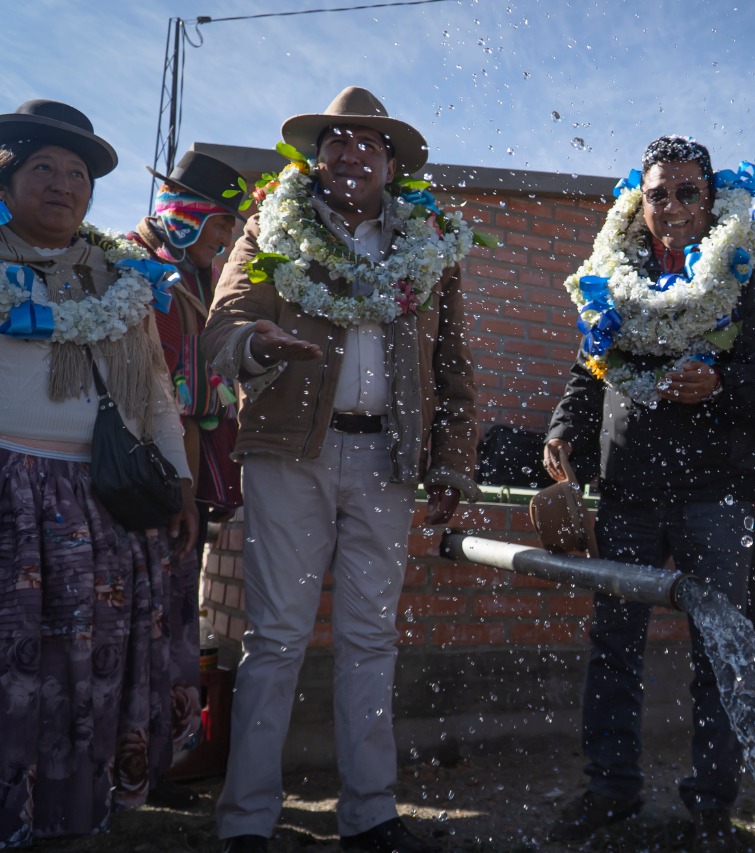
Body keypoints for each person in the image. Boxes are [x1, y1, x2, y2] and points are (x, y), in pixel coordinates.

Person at [204, 86, 481, 853]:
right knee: (276, 635)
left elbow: (454, 363)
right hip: (289, 452)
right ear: (316, 156)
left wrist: (452, 464)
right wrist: (257, 344)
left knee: (371, 636)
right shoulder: (271, 223)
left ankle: (369, 814)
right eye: (337, 139)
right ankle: (246, 820)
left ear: (392, 164)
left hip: (387, 458)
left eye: (369, 142)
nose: (352, 151)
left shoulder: (431, 241)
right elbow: (223, 325)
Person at [543, 135, 755, 853]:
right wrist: (564, 428)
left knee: (720, 650)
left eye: (689, 192)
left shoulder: (752, 271)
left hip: (716, 495)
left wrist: (721, 384)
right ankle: (611, 790)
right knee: (614, 647)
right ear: (642, 200)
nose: (673, 206)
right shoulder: (615, 271)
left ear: (712, 199)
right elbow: (589, 370)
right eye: (658, 194)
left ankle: (712, 806)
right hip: (626, 492)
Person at [0, 99, 198, 844]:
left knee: (83, 670)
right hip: (7, 494)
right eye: (43, 167)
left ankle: (65, 817)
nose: (63, 183)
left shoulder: (121, 278)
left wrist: (180, 482)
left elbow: (154, 389)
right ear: (7, 180)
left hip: (99, 501)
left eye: (77, 173)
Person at [129, 149, 247, 809]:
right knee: (134, 625)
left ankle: (151, 766)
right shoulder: (135, 271)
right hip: (137, 485)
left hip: (184, 487)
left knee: (168, 623)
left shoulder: (197, 279)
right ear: (189, 214)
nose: (228, 237)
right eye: (222, 223)